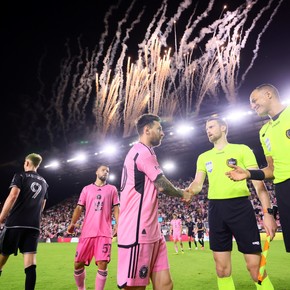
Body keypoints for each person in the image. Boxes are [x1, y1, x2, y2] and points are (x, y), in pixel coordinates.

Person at [186, 117, 277, 290]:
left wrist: (267, 213)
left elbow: (259, 185)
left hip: (240, 208)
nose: (208, 130)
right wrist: (188, 191)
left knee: (255, 267)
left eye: (211, 126)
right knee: (221, 269)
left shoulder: (242, 150)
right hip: (216, 210)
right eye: (206, 128)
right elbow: (197, 184)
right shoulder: (204, 157)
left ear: (223, 127)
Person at [117, 113, 191, 290]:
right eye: (159, 128)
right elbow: (162, 184)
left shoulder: (145, 152)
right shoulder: (141, 151)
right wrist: (183, 193)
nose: (163, 133)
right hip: (137, 230)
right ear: (147, 130)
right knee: (135, 287)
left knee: (165, 285)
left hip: (152, 231)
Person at [226, 84, 290, 253]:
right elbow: (272, 170)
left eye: (254, 100)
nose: (252, 106)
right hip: (283, 189)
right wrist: (248, 173)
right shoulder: (264, 132)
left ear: (268, 94)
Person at [0, 153, 48, 290]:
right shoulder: (45, 183)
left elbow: (13, 195)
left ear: (27, 163)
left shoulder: (20, 176)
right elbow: (43, 204)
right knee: (30, 265)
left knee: (2, 258)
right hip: (33, 226)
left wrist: (1, 218)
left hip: (15, 223)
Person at [67, 164, 119, 290]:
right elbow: (79, 207)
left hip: (104, 233)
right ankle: (81, 288)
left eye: (107, 171)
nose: (105, 172)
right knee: (78, 264)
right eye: (103, 170)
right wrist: (73, 223)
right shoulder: (86, 189)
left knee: (102, 263)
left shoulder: (112, 189)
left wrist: (118, 224)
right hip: (87, 232)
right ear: (96, 172)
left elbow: (116, 207)